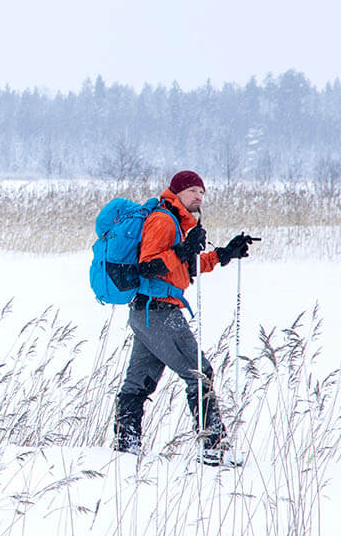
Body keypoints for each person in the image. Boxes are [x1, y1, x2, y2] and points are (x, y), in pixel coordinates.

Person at [110, 170, 257, 466]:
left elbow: (183, 266)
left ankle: (126, 447)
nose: (199, 196)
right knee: (200, 374)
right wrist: (183, 249)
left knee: (138, 383)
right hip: (159, 311)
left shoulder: (177, 223)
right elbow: (148, 266)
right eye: (192, 191)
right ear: (175, 193)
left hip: (147, 313)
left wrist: (224, 254)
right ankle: (214, 449)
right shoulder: (163, 220)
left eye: (202, 192)